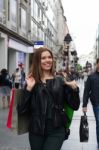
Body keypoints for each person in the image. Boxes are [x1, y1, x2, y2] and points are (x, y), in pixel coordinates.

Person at [17, 47, 79, 150]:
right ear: (38, 61)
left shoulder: (60, 80)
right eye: (43, 58)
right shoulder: (32, 82)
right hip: (36, 130)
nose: (47, 60)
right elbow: (22, 110)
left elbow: (75, 105)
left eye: (49, 57)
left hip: (57, 130)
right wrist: (28, 88)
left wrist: (74, 89)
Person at [82, 58, 99, 149]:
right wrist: (84, 104)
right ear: (97, 64)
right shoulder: (91, 76)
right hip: (97, 103)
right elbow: (86, 91)